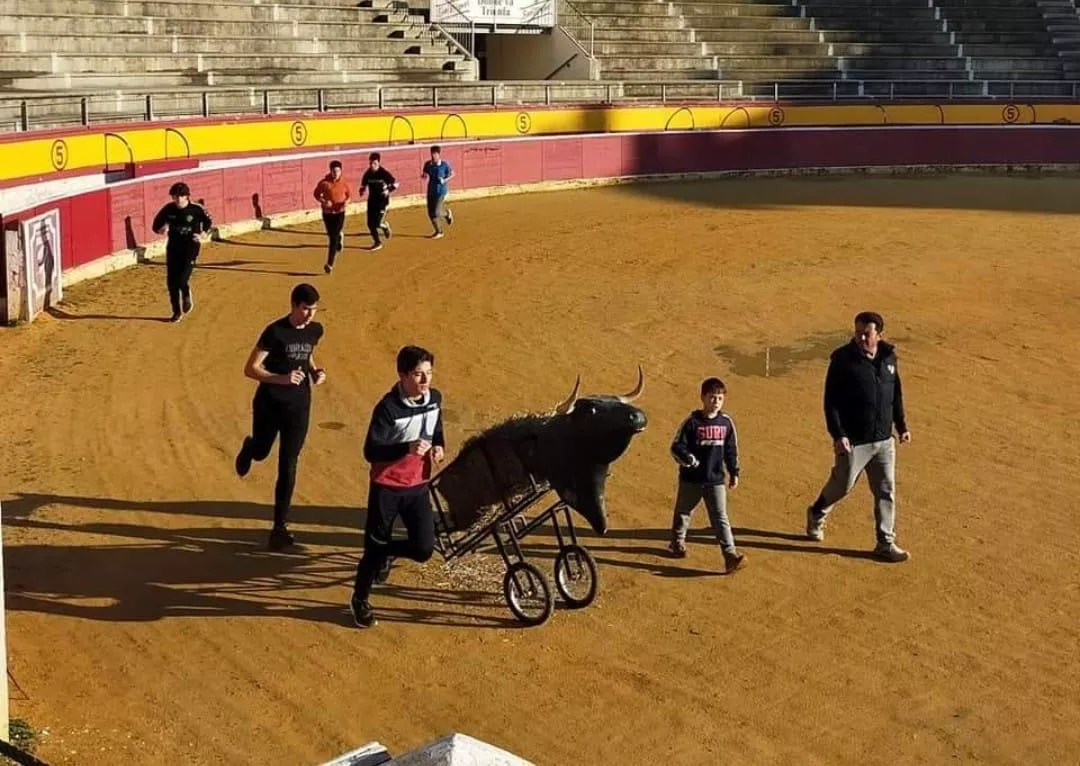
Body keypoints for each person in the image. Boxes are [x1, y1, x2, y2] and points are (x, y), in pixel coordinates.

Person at [350, 345, 445, 628]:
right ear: (402, 376)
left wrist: (439, 446)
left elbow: (436, 429)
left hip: (417, 486)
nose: (425, 381)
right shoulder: (387, 409)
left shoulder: (435, 399)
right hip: (387, 488)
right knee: (373, 548)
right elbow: (372, 451)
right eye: (418, 375)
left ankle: (387, 553)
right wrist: (406, 447)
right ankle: (360, 599)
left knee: (424, 548)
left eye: (428, 373)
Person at [804, 311, 912, 562]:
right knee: (843, 485)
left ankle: (885, 542)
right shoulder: (842, 360)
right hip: (854, 440)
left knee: (886, 490)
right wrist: (838, 434)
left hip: (884, 440)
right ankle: (817, 511)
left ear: (879, 335)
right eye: (858, 332)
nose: (861, 337)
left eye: (867, 333)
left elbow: (896, 394)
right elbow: (830, 402)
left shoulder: (889, 357)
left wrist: (901, 426)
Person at [235, 283, 327, 552]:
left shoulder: (315, 330)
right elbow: (250, 369)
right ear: (294, 306)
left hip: (299, 407)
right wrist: (281, 379)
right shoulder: (275, 332)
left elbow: (307, 355)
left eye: (314, 309)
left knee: (289, 464)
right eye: (306, 308)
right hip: (269, 404)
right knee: (263, 451)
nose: (310, 314)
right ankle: (250, 447)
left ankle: (279, 527)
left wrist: (315, 372)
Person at [669, 377, 746, 574]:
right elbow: (676, 446)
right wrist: (688, 460)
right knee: (683, 513)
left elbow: (731, 450)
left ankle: (730, 555)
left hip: (715, 480)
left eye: (720, 398)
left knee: (721, 517)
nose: (716, 402)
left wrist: (734, 472)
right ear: (703, 398)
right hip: (691, 480)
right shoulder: (691, 422)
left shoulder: (726, 423)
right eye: (712, 398)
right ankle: (677, 543)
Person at [151, 182, 212, 322]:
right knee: (171, 282)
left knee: (181, 278)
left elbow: (208, 221)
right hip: (173, 246)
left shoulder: (196, 209)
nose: (178, 199)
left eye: (181, 196)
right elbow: (156, 225)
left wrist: (202, 234)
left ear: (187, 197)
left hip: (190, 246)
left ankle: (185, 292)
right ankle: (176, 312)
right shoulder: (168, 209)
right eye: (175, 196)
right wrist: (161, 230)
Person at [313, 160, 351, 274]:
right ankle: (339, 236)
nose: (336, 173)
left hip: (340, 213)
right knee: (331, 235)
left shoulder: (344, 182)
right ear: (330, 171)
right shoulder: (324, 183)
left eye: (338, 171)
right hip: (327, 213)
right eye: (334, 171)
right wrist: (324, 201)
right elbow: (316, 194)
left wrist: (346, 203)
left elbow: (349, 196)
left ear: (341, 171)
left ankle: (330, 264)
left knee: (333, 239)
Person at [358, 152, 397, 252]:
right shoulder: (368, 173)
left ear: (379, 163)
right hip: (372, 201)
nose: (372, 165)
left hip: (382, 201)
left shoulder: (384, 173)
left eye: (374, 163)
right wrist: (362, 191)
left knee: (377, 223)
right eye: (371, 163)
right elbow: (363, 186)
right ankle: (377, 242)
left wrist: (388, 190)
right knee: (370, 224)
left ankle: (384, 226)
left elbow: (395, 184)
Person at [421, 145, 454, 239]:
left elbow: (452, 174)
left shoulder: (444, 165)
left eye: (435, 154)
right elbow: (425, 174)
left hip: (441, 191)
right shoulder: (428, 164)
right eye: (432, 153)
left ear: (439, 154)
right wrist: (424, 176)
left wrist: (444, 180)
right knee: (431, 212)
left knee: (436, 211)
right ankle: (438, 231)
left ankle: (447, 214)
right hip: (431, 190)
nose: (433, 155)